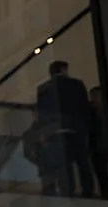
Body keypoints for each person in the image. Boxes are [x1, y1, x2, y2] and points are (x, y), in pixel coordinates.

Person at [36, 60, 94, 197]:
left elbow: (42, 113)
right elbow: (84, 107)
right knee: (82, 161)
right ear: (63, 70)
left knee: (64, 163)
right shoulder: (76, 84)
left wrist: (45, 132)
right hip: (75, 128)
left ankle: (68, 190)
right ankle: (88, 190)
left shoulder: (44, 88)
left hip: (56, 131)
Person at [89, 86, 108, 198]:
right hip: (98, 148)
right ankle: (106, 195)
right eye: (93, 96)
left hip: (103, 146)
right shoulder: (89, 112)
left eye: (97, 95)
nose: (95, 98)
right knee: (102, 176)